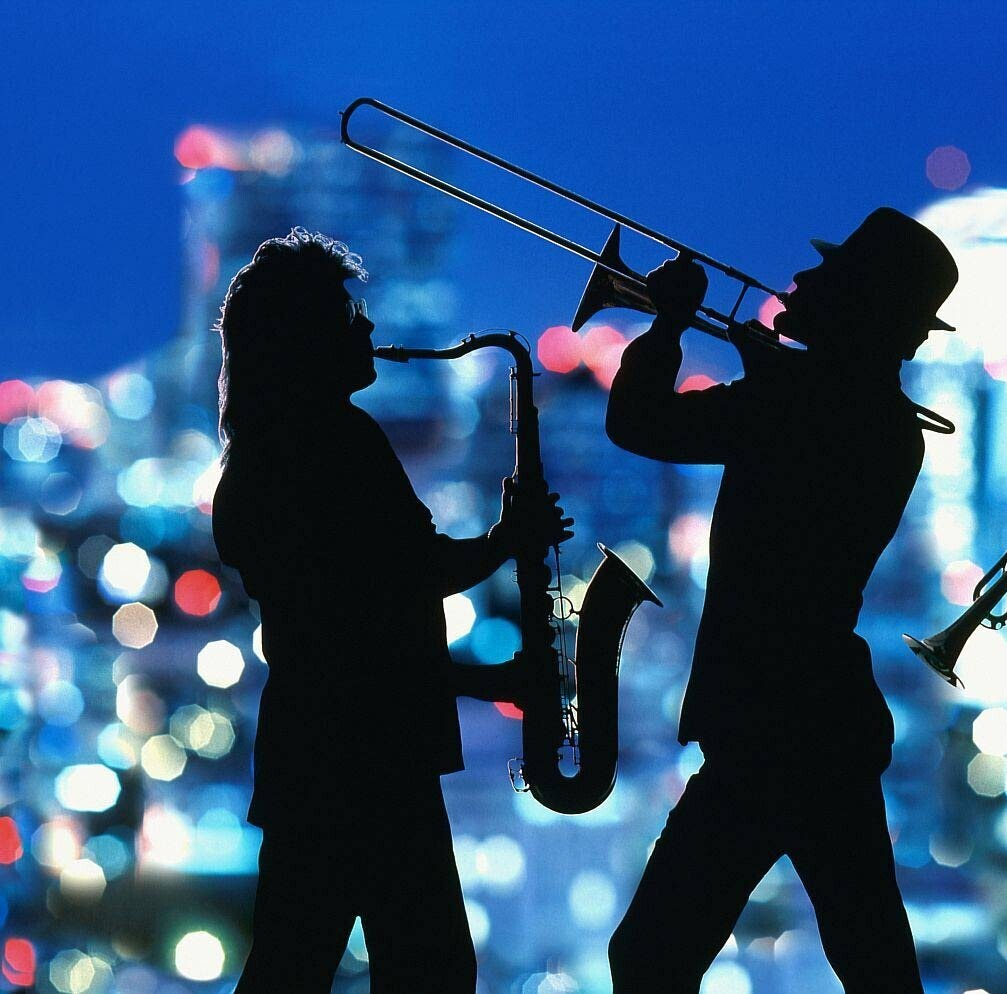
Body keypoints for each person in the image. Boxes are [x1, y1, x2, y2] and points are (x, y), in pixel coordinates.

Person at [605, 208, 958, 993]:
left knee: (651, 958)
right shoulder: (871, 418)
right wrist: (772, 374)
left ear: (857, 304)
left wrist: (669, 325)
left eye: (825, 276)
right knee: (873, 965)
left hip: (771, 727)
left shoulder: (799, 401)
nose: (797, 279)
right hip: (820, 724)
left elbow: (639, 422)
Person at [212, 228, 571, 993]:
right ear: (308, 335)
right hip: (370, 761)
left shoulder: (270, 453)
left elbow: (363, 614)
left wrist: (498, 569)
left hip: (322, 757)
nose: (369, 326)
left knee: (296, 967)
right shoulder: (335, 442)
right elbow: (391, 594)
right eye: (349, 314)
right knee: (426, 971)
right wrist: (505, 545)